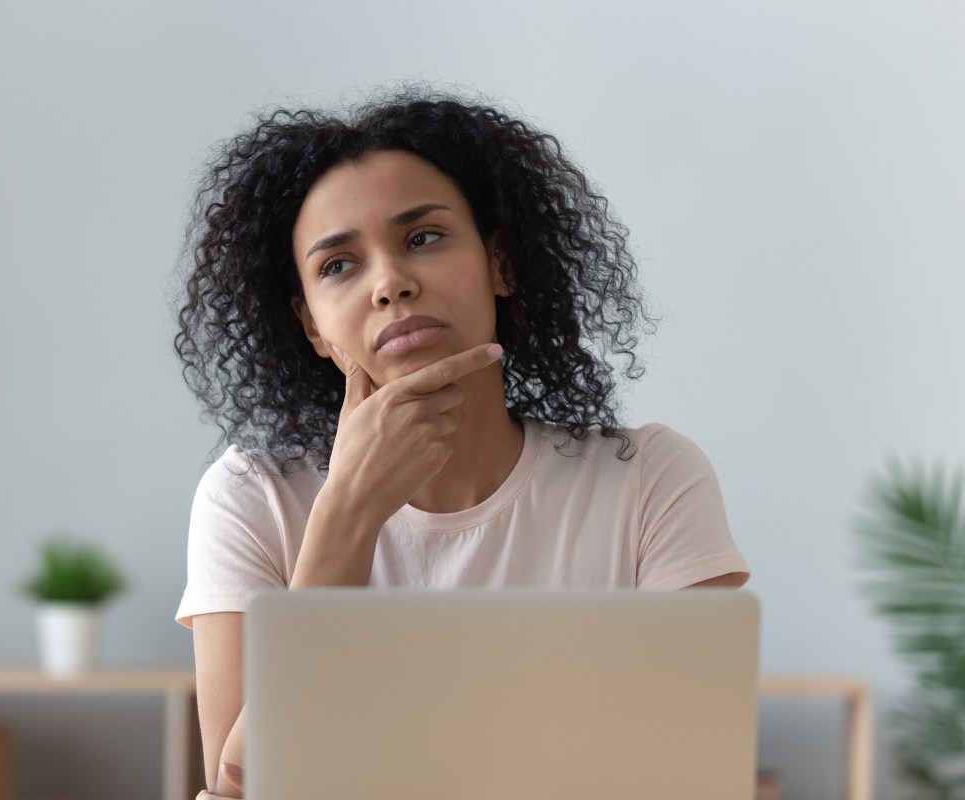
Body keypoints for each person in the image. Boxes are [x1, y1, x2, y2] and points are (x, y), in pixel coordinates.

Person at [172, 86, 750, 799]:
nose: (391, 283)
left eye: (423, 238)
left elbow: (695, 772)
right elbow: (240, 781)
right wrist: (347, 514)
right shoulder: (253, 497)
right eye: (338, 266)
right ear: (312, 327)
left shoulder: (648, 480)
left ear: (501, 264)